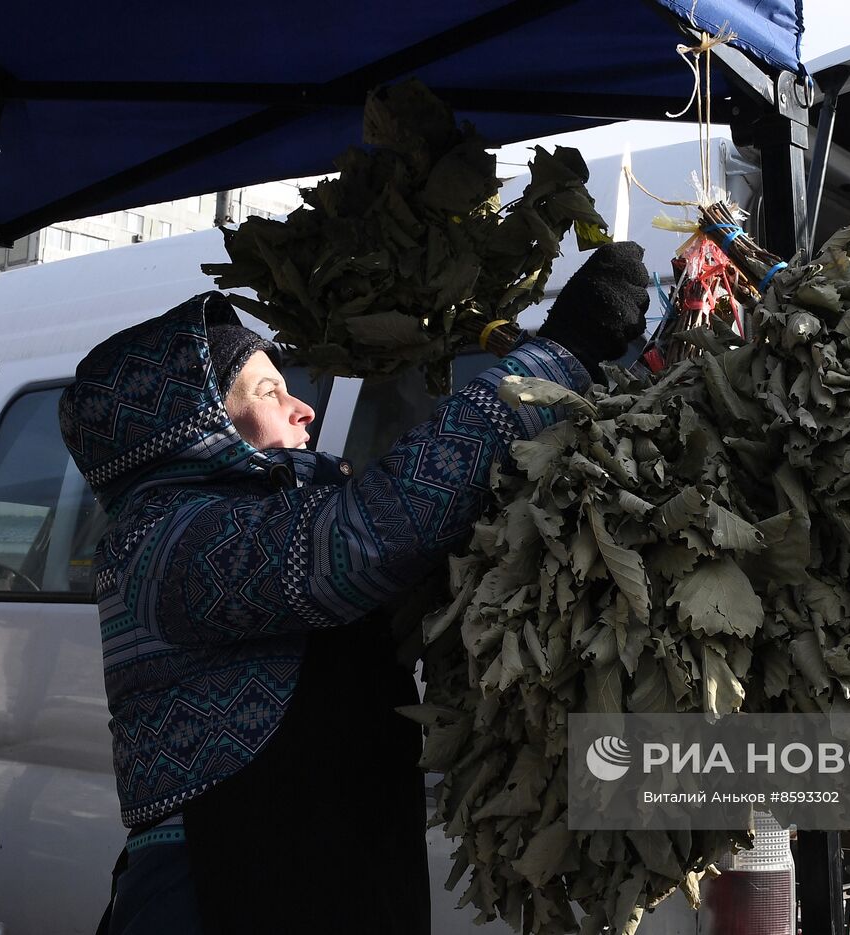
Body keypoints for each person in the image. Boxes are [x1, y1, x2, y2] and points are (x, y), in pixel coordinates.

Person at [57, 242, 651, 934]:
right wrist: (559, 354)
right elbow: (365, 537)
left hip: (325, 878)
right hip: (220, 892)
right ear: (195, 430)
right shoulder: (160, 544)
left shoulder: (263, 517)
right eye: (267, 390)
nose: (302, 406)